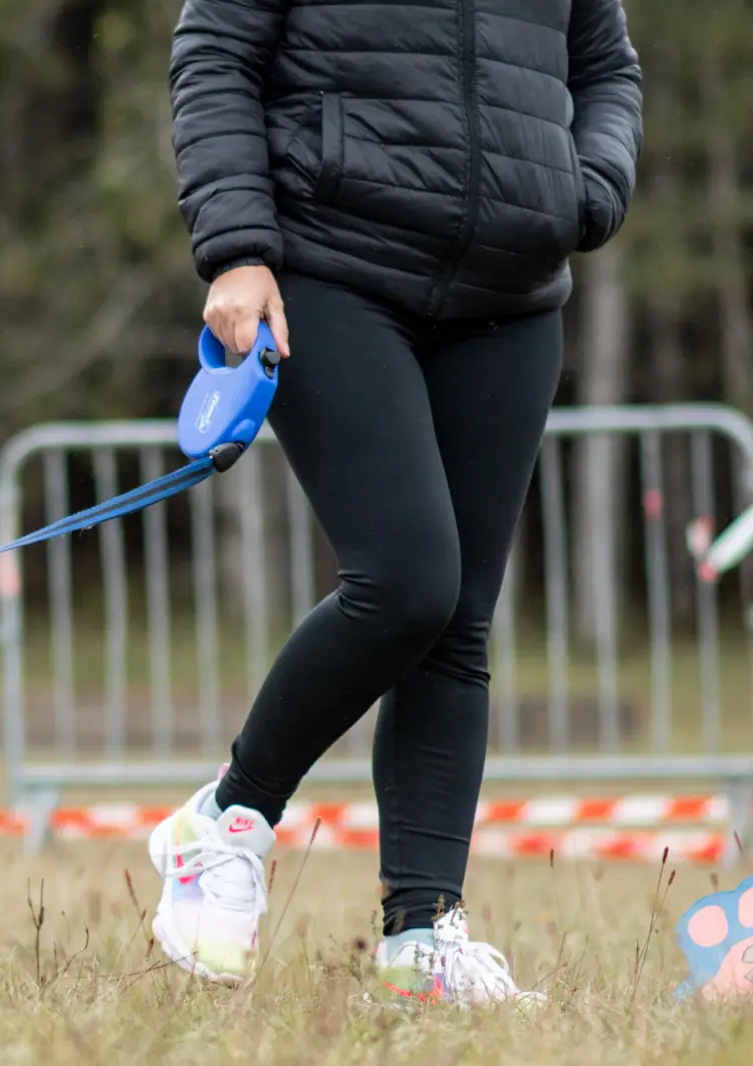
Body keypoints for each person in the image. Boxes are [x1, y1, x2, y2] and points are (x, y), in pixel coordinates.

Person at [154, 0, 643, 1004]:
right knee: (408, 583)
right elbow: (214, 54)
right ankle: (227, 821)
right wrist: (235, 247)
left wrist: (581, 188)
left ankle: (422, 933)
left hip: (509, 296)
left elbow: (605, 67)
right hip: (331, 271)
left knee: (458, 621)